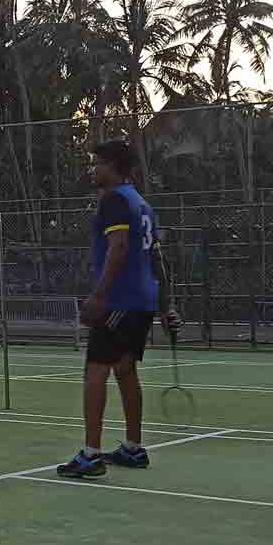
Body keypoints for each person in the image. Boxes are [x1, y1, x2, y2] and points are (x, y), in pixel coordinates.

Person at [57, 140, 182, 479]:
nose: (91, 169)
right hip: (142, 301)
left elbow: (119, 248)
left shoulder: (113, 200)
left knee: (95, 370)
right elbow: (157, 259)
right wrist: (165, 306)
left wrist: (99, 296)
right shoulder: (143, 205)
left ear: (112, 166)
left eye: (96, 163)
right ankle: (133, 448)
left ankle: (90, 455)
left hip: (119, 300)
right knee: (126, 369)